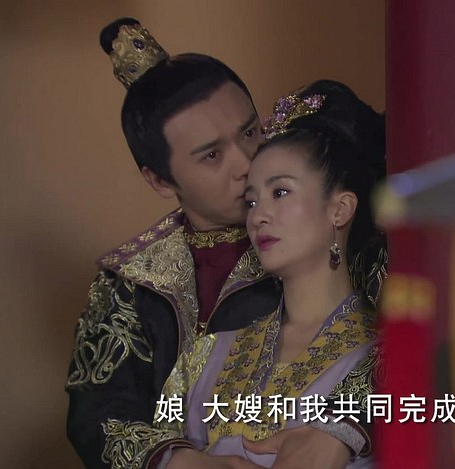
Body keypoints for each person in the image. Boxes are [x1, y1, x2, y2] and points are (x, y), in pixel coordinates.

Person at [65, 19, 382, 469]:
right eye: (212, 155)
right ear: (159, 180)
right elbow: (100, 414)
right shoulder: (128, 286)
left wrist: (343, 427)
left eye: (250, 132)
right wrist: (184, 463)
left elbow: (427, 346)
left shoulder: (329, 229)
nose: (246, 162)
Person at [151, 80, 386, 468]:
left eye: (280, 192)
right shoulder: (207, 354)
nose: (258, 216)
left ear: (340, 208)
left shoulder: (384, 358)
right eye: (251, 201)